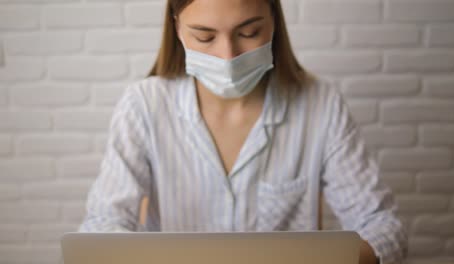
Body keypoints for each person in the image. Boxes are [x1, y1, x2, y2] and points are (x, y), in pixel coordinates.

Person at [79, 0, 407, 263]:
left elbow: (383, 228)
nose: (227, 57)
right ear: (177, 29)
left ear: (274, 23)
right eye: (204, 37)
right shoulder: (144, 106)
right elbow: (102, 225)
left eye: (249, 32)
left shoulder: (321, 105)